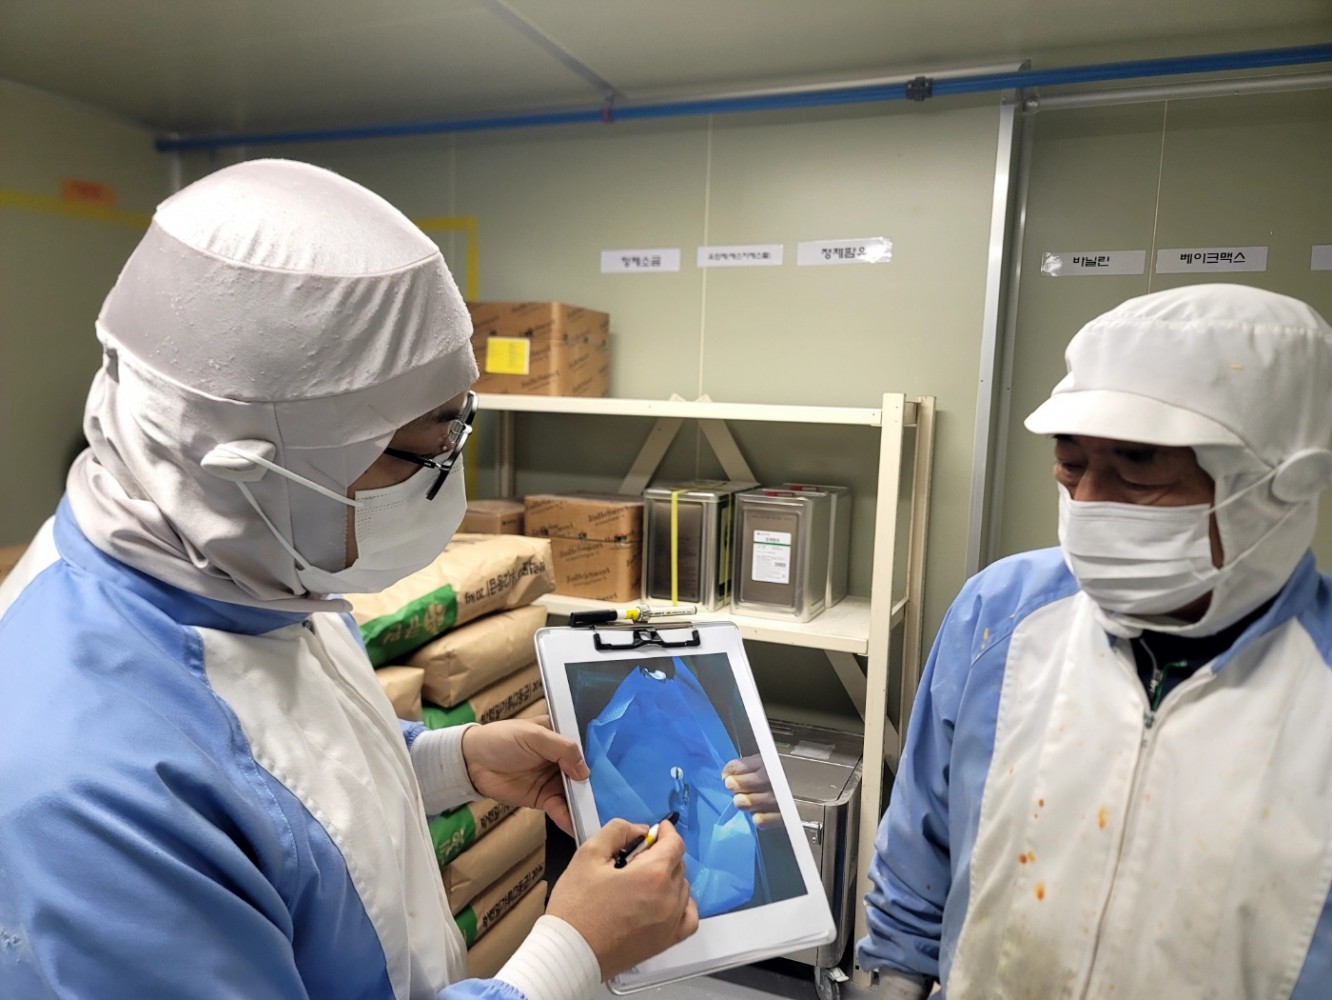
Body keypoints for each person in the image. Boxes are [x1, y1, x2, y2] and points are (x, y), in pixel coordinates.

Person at [0, 159, 696, 999]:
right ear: (248, 462)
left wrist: (451, 761)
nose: (445, 478)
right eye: (419, 451)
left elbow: (286, 763)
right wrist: (571, 956)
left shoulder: (257, 560)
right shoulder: (90, 796)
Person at [857, 284, 1332, 999]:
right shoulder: (1001, 616)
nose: (1086, 504)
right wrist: (895, 980)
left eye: (1137, 463)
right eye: (1071, 463)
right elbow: (921, 845)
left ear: (1282, 482)